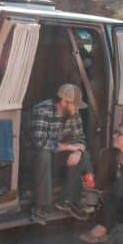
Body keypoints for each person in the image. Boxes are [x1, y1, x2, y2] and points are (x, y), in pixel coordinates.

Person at [30, 83, 95, 223]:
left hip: (59, 153)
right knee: (43, 154)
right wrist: (69, 148)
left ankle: (67, 201)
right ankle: (42, 205)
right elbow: (40, 142)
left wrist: (77, 151)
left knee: (84, 155)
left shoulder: (73, 112)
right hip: (39, 155)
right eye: (75, 105)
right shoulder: (42, 110)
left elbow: (81, 138)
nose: (77, 108)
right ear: (64, 102)